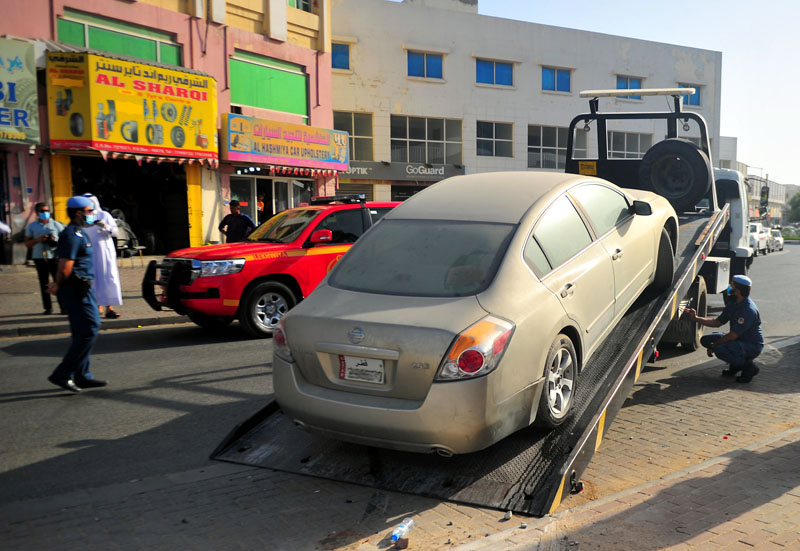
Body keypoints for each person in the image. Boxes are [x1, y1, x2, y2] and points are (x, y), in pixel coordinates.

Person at [46, 196, 106, 393]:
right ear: (79, 213)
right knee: (90, 329)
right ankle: (63, 374)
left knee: (82, 332)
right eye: (89, 211)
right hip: (76, 289)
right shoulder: (72, 234)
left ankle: (82, 376)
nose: (92, 214)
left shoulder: (80, 232)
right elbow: (65, 267)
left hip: (81, 288)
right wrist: (57, 285)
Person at [685, 275, 764, 383]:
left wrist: (714, 345)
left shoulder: (748, 310)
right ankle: (735, 365)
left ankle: (749, 368)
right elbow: (717, 322)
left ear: (738, 291)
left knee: (720, 349)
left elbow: (732, 335)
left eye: (731, 286)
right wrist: (696, 318)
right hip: (738, 340)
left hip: (751, 345)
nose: (729, 289)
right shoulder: (734, 303)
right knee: (706, 340)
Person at [83, 193, 123, 319]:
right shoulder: (82, 218)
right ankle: (97, 307)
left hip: (105, 253)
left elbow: (115, 232)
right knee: (93, 280)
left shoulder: (104, 215)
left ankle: (109, 308)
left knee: (107, 278)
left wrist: (105, 226)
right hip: (90, 254)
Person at [24, 202, 65, 315]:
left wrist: (54, 241)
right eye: (42, 211)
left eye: (47, 211)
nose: (45, 213)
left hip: (54, 256)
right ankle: (48, 308)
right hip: (39, 257)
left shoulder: (57, 225)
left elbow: (65, 241)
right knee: (44, 283)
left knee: (59, 281)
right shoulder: (32, 226)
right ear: (37, 213)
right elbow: (27, 243)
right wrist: (38, 239)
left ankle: (63, 307)